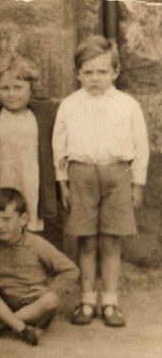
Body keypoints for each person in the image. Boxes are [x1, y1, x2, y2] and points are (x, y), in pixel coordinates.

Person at [53, 36, 149, 328]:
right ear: (78, 73)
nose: (95, 78)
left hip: (117, 175)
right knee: (87, 242)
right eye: (88, 72)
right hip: (81, 175)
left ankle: (110, 301)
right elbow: (59, 146)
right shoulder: (69, 105)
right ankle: (86, 300)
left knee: (110, 241)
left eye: (102, 72)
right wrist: (63, 183)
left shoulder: (128, 105)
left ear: (115, 72)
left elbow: (140, 146)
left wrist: (138, 184)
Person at [0, 54, 60, 245]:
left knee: (29, 225)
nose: (11, 94)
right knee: (1, 222)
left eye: (18, 88)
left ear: (31, 88)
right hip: (2, 180)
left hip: (30, 182)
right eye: (5, 88)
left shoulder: (42, 118)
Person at [0, 188, 78, 346]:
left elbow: (71, 270)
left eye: (6, 219)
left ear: (23, 219)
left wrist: (50, 289)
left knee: (50, 300)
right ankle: (21, 328)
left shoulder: (37, 244)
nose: (0, 225)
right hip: (2, 305)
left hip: (33, 306)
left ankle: (0, 326)